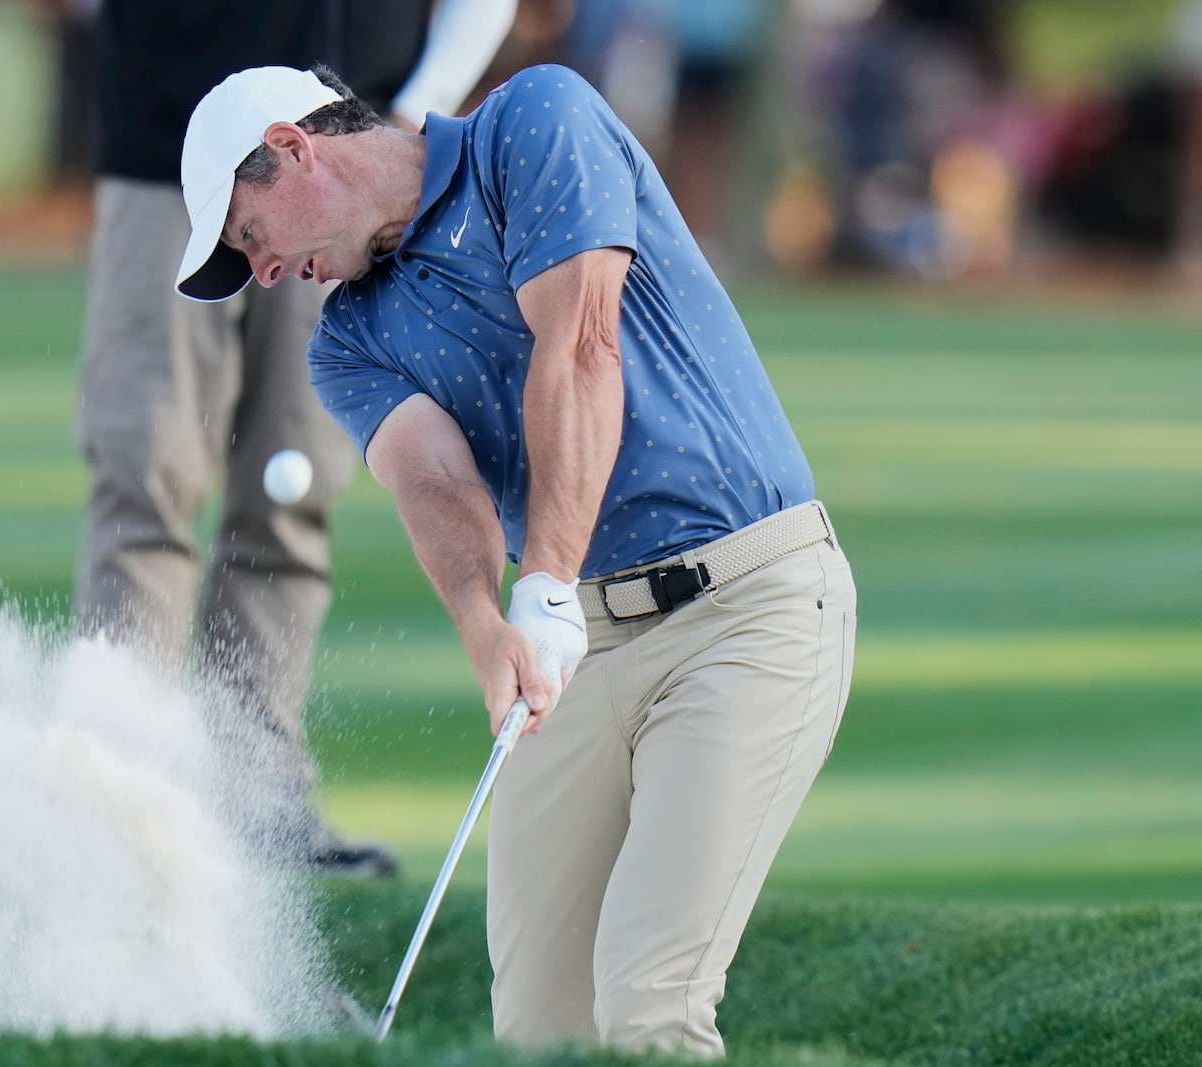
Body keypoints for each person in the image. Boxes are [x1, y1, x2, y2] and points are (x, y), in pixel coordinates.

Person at [174, 63, 858, 1054]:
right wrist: (484, 621)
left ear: (291, 147)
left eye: (251, 236)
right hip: (572, 646)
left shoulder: (533, 122)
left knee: (648, 998)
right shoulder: (348, 342)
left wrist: (537, 578)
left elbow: (579, 345)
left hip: (745, 607)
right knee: (540, 1028)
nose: (268, 272)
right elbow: (431, 480)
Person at [74, 1, 515, 878]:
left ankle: (256, 800)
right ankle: (112, 799)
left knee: (293, 489)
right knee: (146, 474)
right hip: (166, 147)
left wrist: (416, 104)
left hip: (342, 168)